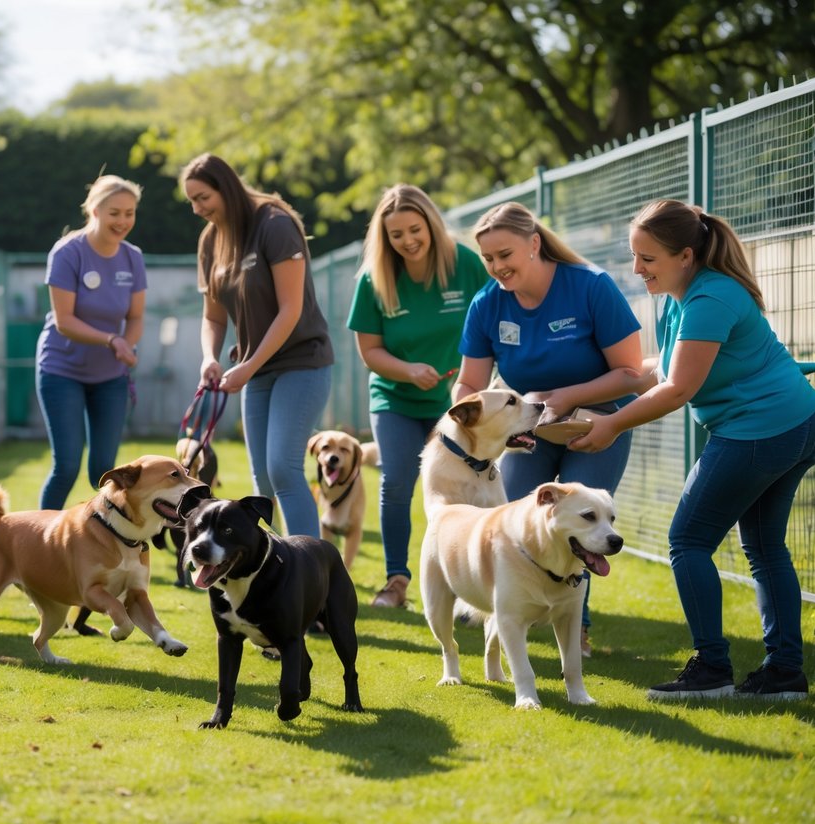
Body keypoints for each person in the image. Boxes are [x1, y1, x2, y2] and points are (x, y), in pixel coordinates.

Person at [572, 199, 815, 701]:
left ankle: (712, 670)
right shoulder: (681, 295)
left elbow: (678, 389)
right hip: (790, 423)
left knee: (687, 541)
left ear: (685, 255)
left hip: (761, 431)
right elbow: (652, 373)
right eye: (634, 256)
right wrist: (569, 398)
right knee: (766, 547)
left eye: (648, 259)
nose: (637, 270)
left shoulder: (710, 299)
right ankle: (784, 674)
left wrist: (612, 425)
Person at [454, 202, 643, 655]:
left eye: (505, 254)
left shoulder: (591, 286)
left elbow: (632, 372)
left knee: (583, 523)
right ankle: (508, 612)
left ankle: (577, 627)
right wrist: (460, 413)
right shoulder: (487, 304)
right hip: (527, 431)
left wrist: (569, 397)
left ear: (534, 243)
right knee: (516, 521)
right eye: (488, 259)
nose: (497, 267)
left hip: (598, 421)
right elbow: (469, 382)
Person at [346, 184, 488, 608]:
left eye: (415, 229)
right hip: (395, 398)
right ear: (384, 238)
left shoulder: (465, 264)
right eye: (396, 234)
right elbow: (369, 351)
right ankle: (396, 581)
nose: (407, 241)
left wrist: (473, 379)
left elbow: (493, 319)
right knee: (397, 482)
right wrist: (408, 370)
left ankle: (470, 586)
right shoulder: (374, 279)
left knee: (470, 486)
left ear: (430, 223)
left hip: (458, 401)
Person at [180, 153, 334, 539]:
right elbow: (213, 316)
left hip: (303, 362)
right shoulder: (210, 240)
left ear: (225, 187)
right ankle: (277, 565)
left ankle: (313, 571)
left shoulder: (275, 224)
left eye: (203, 198)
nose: (197, 209)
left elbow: (291, 309)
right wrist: (210, 358)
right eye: (191, 202)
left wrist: (248, 367)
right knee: (262, 480)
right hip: (255, 369)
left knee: (282, 467)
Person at [35, 175, 145, 634]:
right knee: (67, 464)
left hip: (110, 377)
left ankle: (100, 574)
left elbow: (136, 316)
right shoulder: (68, 252)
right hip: (62, 369)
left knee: (106, 468)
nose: (123, 221)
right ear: (94, 211)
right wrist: (111, 338)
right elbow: (64, 321)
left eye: (130, 213)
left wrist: (126, 346)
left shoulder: (132, 258)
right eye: (114, 212)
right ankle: (40, 560)